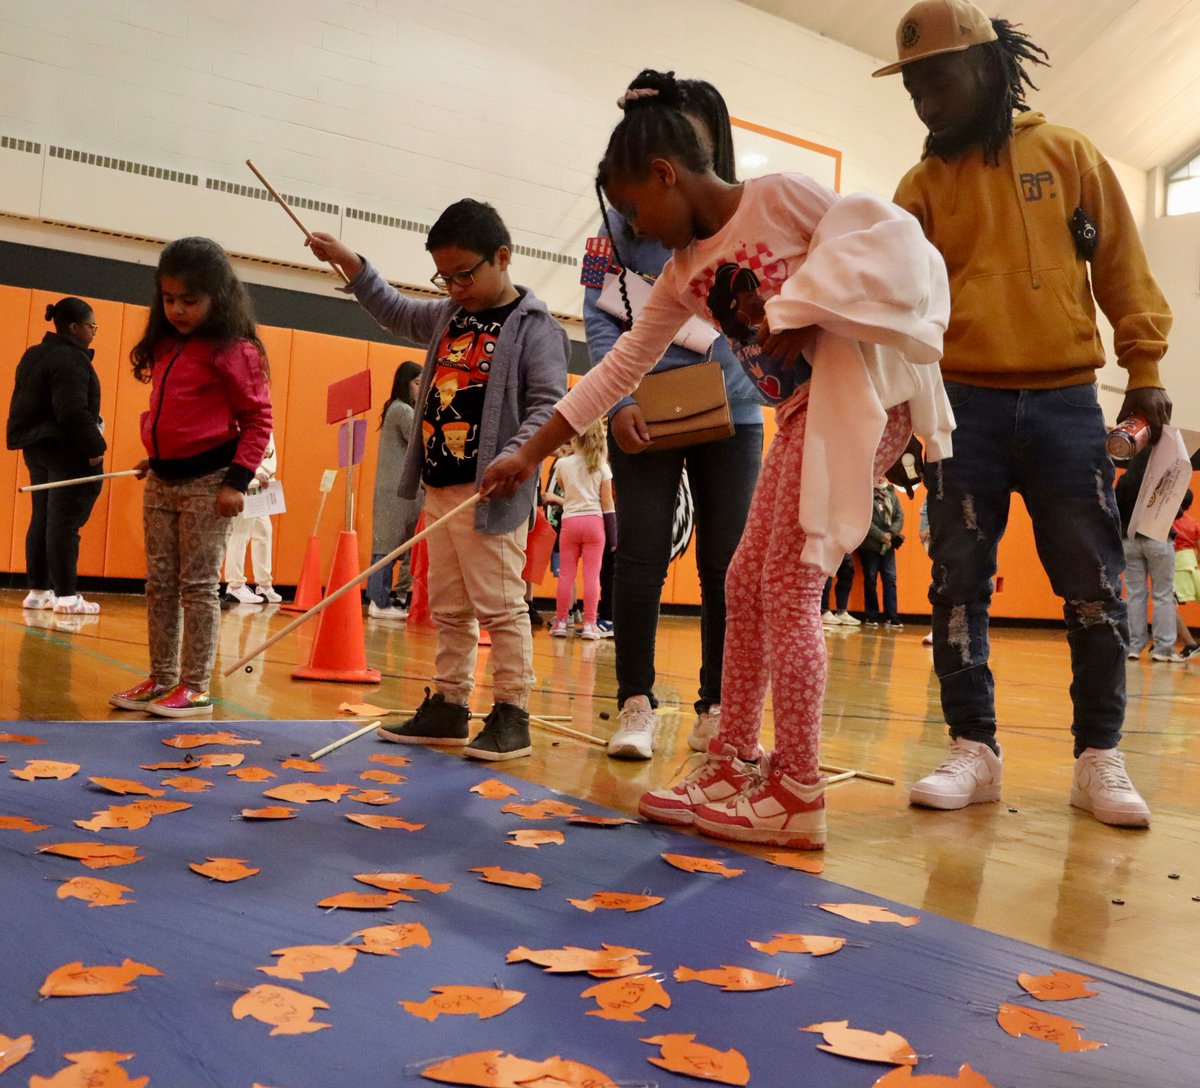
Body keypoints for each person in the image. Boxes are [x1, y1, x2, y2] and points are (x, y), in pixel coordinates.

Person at [482, 70, 952, 847]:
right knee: (742, 579)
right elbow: (619, 366)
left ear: (666, 175)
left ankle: (798, 790)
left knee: (790, 584)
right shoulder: (679, 275)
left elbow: (886, 248)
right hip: (803, 409)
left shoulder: (781, 197)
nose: (637, 226)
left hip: (863, 398)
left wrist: (807, 310)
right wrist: (530, 452)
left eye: (637, 207)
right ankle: (733, 760)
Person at [875, 0, 1172, 827]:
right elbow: (900, 315)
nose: (922, 98)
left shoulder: (1067, 152)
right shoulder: (918, 187)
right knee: (957, 583)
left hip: (1067, 403)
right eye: (912, 87)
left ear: (986, 65)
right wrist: (903, 411)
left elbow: (1120, 260)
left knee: (1095, 584)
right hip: (958, 407)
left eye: (934, 78)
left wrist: (1143, 363)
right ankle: (975, 750)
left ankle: (1097, 759)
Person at [307, 199, 569, 761]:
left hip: (492, 493)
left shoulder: (536, 328)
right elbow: (395, 310)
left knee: (501, 605)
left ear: (503, 257)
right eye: (443, 277)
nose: (453, 287)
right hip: (441, 485)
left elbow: (548, 406)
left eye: (464, 274)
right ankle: (450, 706)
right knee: (448, 607)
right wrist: (351, 264)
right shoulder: (450, 315)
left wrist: (518, 458)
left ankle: (511, 713)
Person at [585, 72, 764, 761]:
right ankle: (635, 701)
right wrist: (621, 400)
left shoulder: (744, 211)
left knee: (728, 563)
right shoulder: (620, 219)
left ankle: (717, 707)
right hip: (643, 412)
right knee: (639, 557)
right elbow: (602, 323)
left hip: (736, 413)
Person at [109, 237, 273, 718]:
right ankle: (162, 679)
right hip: (163, 479)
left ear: (217, 297)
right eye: (169, 299)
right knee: (159, 584)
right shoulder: (165, 344)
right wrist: (155, 455)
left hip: (210, 481)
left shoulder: (235, 350)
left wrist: (236, 482)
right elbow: (169, 411)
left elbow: (258, 420)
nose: (177, 309)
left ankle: (194, 685)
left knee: (198, 585)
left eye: (190, 300)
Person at [7, 298, 106, 615]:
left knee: (44, 517)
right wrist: (95, 448)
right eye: (92, 326)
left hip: (36, 448)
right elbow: (72, 410)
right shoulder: (70, 359)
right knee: (64, 522)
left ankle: (38, 591)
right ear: (75, 327)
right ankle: (65, 595)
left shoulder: (35, 354)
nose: (94, 331)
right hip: (65, 449)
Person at [543, 421, 615, 642]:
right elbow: (608, 504)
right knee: (592, 576)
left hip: (570, 522)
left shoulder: (562, 464)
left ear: (575, 438)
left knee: (566, 575)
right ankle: (591, 624)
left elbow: (564, 488)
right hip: (594, 524)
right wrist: (613, 536)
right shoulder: (602, 467)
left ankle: (562, 622)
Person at [367, 361, 424, 621]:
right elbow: (423, 437)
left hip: (401, 491)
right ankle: (379, 602)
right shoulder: (402, 410)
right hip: (397, 493)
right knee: (386, 546)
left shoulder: (397, 409)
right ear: (405, 383)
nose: (420, 387)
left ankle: (386, 598)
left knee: (393, 545)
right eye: (416, 382)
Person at [1116, 447, 1182, 663]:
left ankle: (1133, 646)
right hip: (1158, 536)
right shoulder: (1165, 478)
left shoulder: (1125, 480)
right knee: (1163, 594)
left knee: (1135, 595)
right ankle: (1163, 648)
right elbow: (1178, 509)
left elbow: (1115, 507)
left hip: (1130, 540)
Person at [223, 432, 280, 604]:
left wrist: (265, 472)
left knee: (264, 532)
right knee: (240, 533)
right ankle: (235, 585)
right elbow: (239, 453)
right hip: (246, 483)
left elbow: (269, 453)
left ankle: (263, 584)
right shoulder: (241, 422)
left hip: (261, 486)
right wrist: (254, 472)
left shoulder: (264, 423)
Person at [857, 479, 904, 628]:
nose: (881, 477)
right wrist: (881, 536)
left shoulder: (891, 495)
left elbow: (899, 517)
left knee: (890, 578)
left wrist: (890, 534)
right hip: (870, 545)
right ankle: (871, 616)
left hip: (888, 546)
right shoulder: (865, 495)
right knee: (870, 578)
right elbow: (865, 520)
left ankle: (892, 616)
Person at [1173, 491, 1200, 658]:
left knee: (1167, 605)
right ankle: (1165, 641)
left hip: (1176, 564)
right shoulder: (1194, 523)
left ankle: (1189, 642)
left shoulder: (1170, 523)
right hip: (1193, 564)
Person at [820, 555, 860, 628]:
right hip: (825, 546)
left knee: (848, 569)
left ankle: (842, 611)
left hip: (839, 545)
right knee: (827, 573)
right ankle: (823, 610)